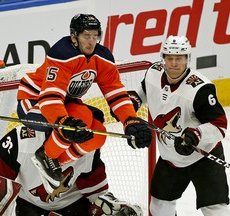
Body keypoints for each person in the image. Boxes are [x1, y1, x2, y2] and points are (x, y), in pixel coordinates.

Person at [16, 13, 152, 188]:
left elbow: (115, 92)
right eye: (86, 36)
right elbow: (50, 97)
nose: (91, 42)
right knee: (83, 116)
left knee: (97, 135)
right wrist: (63, 122)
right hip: (33, 101)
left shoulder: (102, 58)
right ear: (74, 36)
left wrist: (130, 119)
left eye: (95, 36)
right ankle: (47, 155)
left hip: (64, 102)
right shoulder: (62, 54)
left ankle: (56, 162)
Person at [127, 35, 230, 215]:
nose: (174, 63)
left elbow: (219, 125)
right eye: (169, 58)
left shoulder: (201, 89)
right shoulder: (153, 72)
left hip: (204, 157)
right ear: (163, 58)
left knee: (216, 211)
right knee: (158, 208)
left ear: (188, 59)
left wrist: (196, 135)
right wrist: (131, 103)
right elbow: (143, 91)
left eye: (179, 58)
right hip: (170, 158)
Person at [0, 125, 143, 216]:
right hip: (29, 207)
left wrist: (107, 205)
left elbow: (97, 192)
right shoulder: (21, 140)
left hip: (74, 205)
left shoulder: (88, 147)